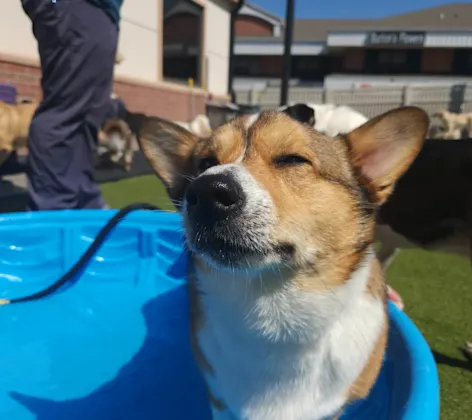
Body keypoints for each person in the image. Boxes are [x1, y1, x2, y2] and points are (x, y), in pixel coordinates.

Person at [21, 0, 124, 210]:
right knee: (66, 108)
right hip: (76, 6)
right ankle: (53, 206)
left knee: (91, 112)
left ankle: (82, 199)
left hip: (102, 11)